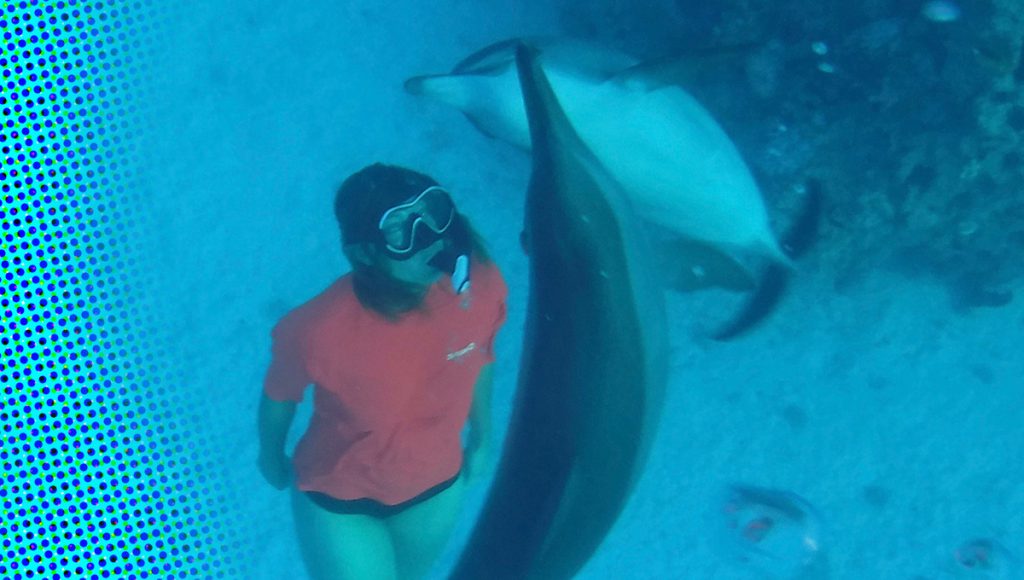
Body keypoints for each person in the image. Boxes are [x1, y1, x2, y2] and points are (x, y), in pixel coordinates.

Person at [257, 163, 508, 580]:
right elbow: (279, 395)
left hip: (435, 487)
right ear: (364, 253)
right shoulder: (315, 329)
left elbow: (480, 354)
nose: (428, 236)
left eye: (431, 211)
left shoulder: (482, 286)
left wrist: (484, 432)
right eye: (398, 230)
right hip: (339, 499)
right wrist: (270, 456)